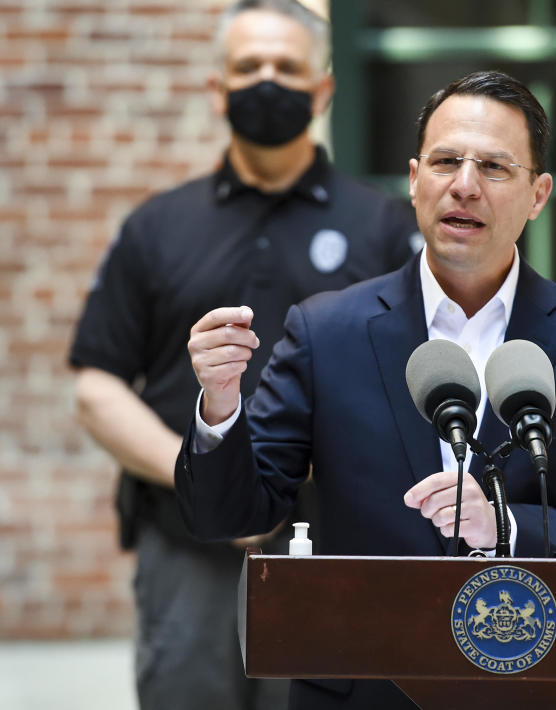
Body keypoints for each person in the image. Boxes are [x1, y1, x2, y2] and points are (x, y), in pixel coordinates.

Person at [175, 70, 556, 709]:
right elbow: (232, 515)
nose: (464, 185)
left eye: (494, 167)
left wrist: (507, 527)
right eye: (445, 162)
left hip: (532, 684)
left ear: (538, 194)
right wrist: (219, 405)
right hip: (360, 688)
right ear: (413, 180)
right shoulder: (327, 331)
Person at [68, 2, 419, 709]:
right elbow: (96, 389)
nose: (267, 80)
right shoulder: (156, 226)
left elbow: (411, 384)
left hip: (333, 548)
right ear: (216, 89)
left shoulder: (383, 225)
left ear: (323, 91)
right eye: (249, 67)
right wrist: (207, 477)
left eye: (287, 68)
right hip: (185, 550)